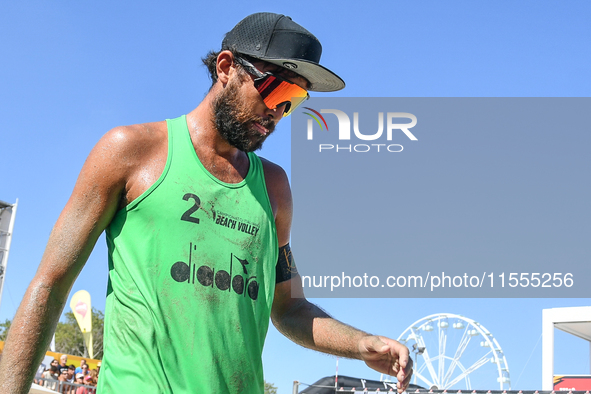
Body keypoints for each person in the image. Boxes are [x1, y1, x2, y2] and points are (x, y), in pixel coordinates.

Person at [0, 12, 413, 394]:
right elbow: (50, 284)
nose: (276, 112)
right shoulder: (131, 152)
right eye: (276, 89)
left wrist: (361, 343)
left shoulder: (274, 189)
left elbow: (289, 308)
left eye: (294, 102)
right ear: (227, 67)